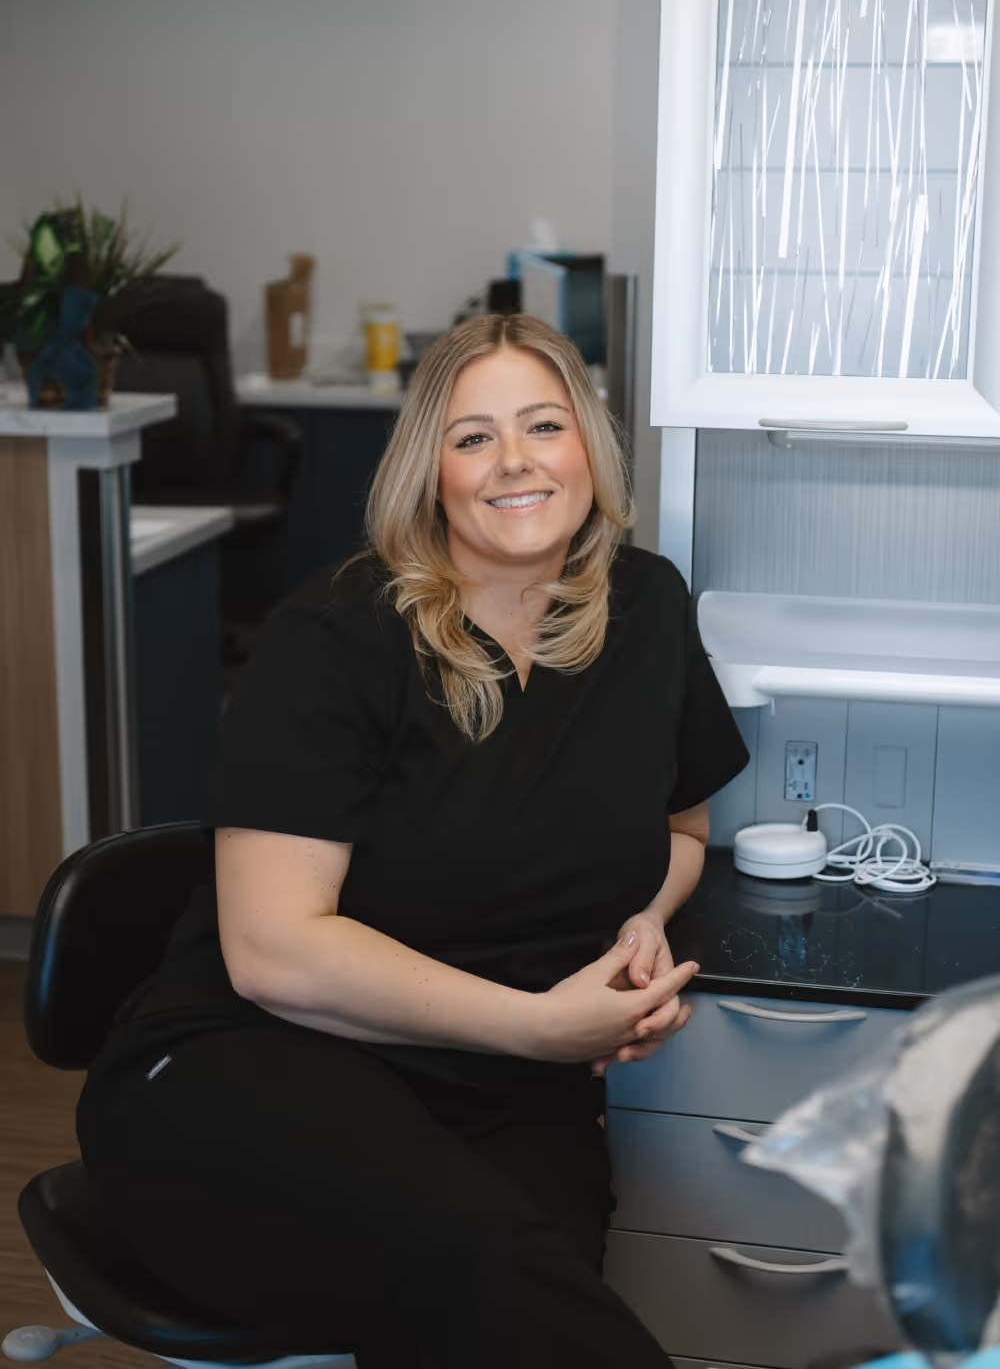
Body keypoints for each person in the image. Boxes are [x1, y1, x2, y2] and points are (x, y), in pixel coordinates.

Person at [75, 314, 750, 1369]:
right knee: (485, 1270)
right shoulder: (337, 636)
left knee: (525, 1290)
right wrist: (540, 1027)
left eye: (542, 425)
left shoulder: (647, 607)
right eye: (473, 437)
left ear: (591, 448)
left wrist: (642, 919)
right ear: (427, 468)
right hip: (250, 1065)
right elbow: (271, 952)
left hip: (507, 1090)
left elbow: (682, 827)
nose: (515, 462)